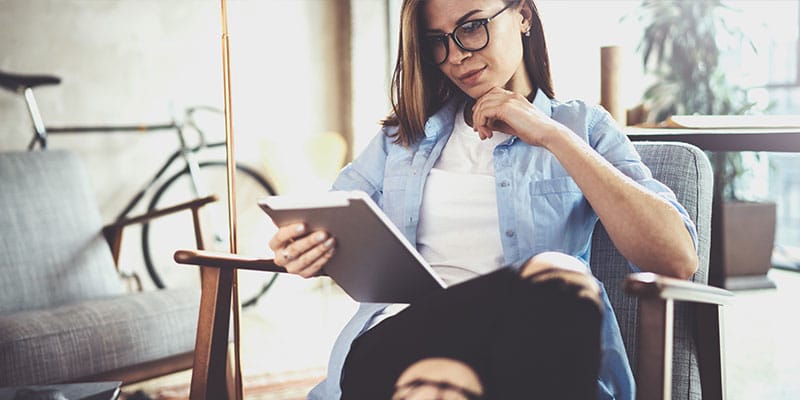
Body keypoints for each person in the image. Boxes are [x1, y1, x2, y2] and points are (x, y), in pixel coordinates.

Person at [268, 0, 699, 398]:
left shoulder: (581, 127)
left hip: (524, 351)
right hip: (395, 340)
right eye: (436, 41)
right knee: (558, 274)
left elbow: (676, 257)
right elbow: (328, 222)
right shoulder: (401, 139)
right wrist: (304, 247)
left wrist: (551, 136)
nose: (455, 55)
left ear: (524, 15)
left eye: (472, 27)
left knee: (544, 293)